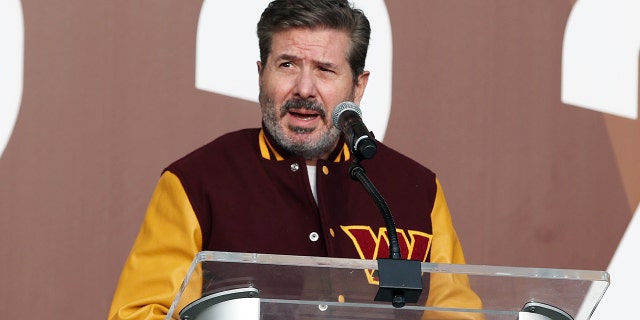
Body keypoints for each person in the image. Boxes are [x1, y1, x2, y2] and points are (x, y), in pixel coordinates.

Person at [107, 0, 483, 319]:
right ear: (260, 74)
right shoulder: (197, 182)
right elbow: (141, 311)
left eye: (324, 69)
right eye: (287, 64)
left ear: (359, 85)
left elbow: (457, 311)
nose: (304, 88)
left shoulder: (414, 189)